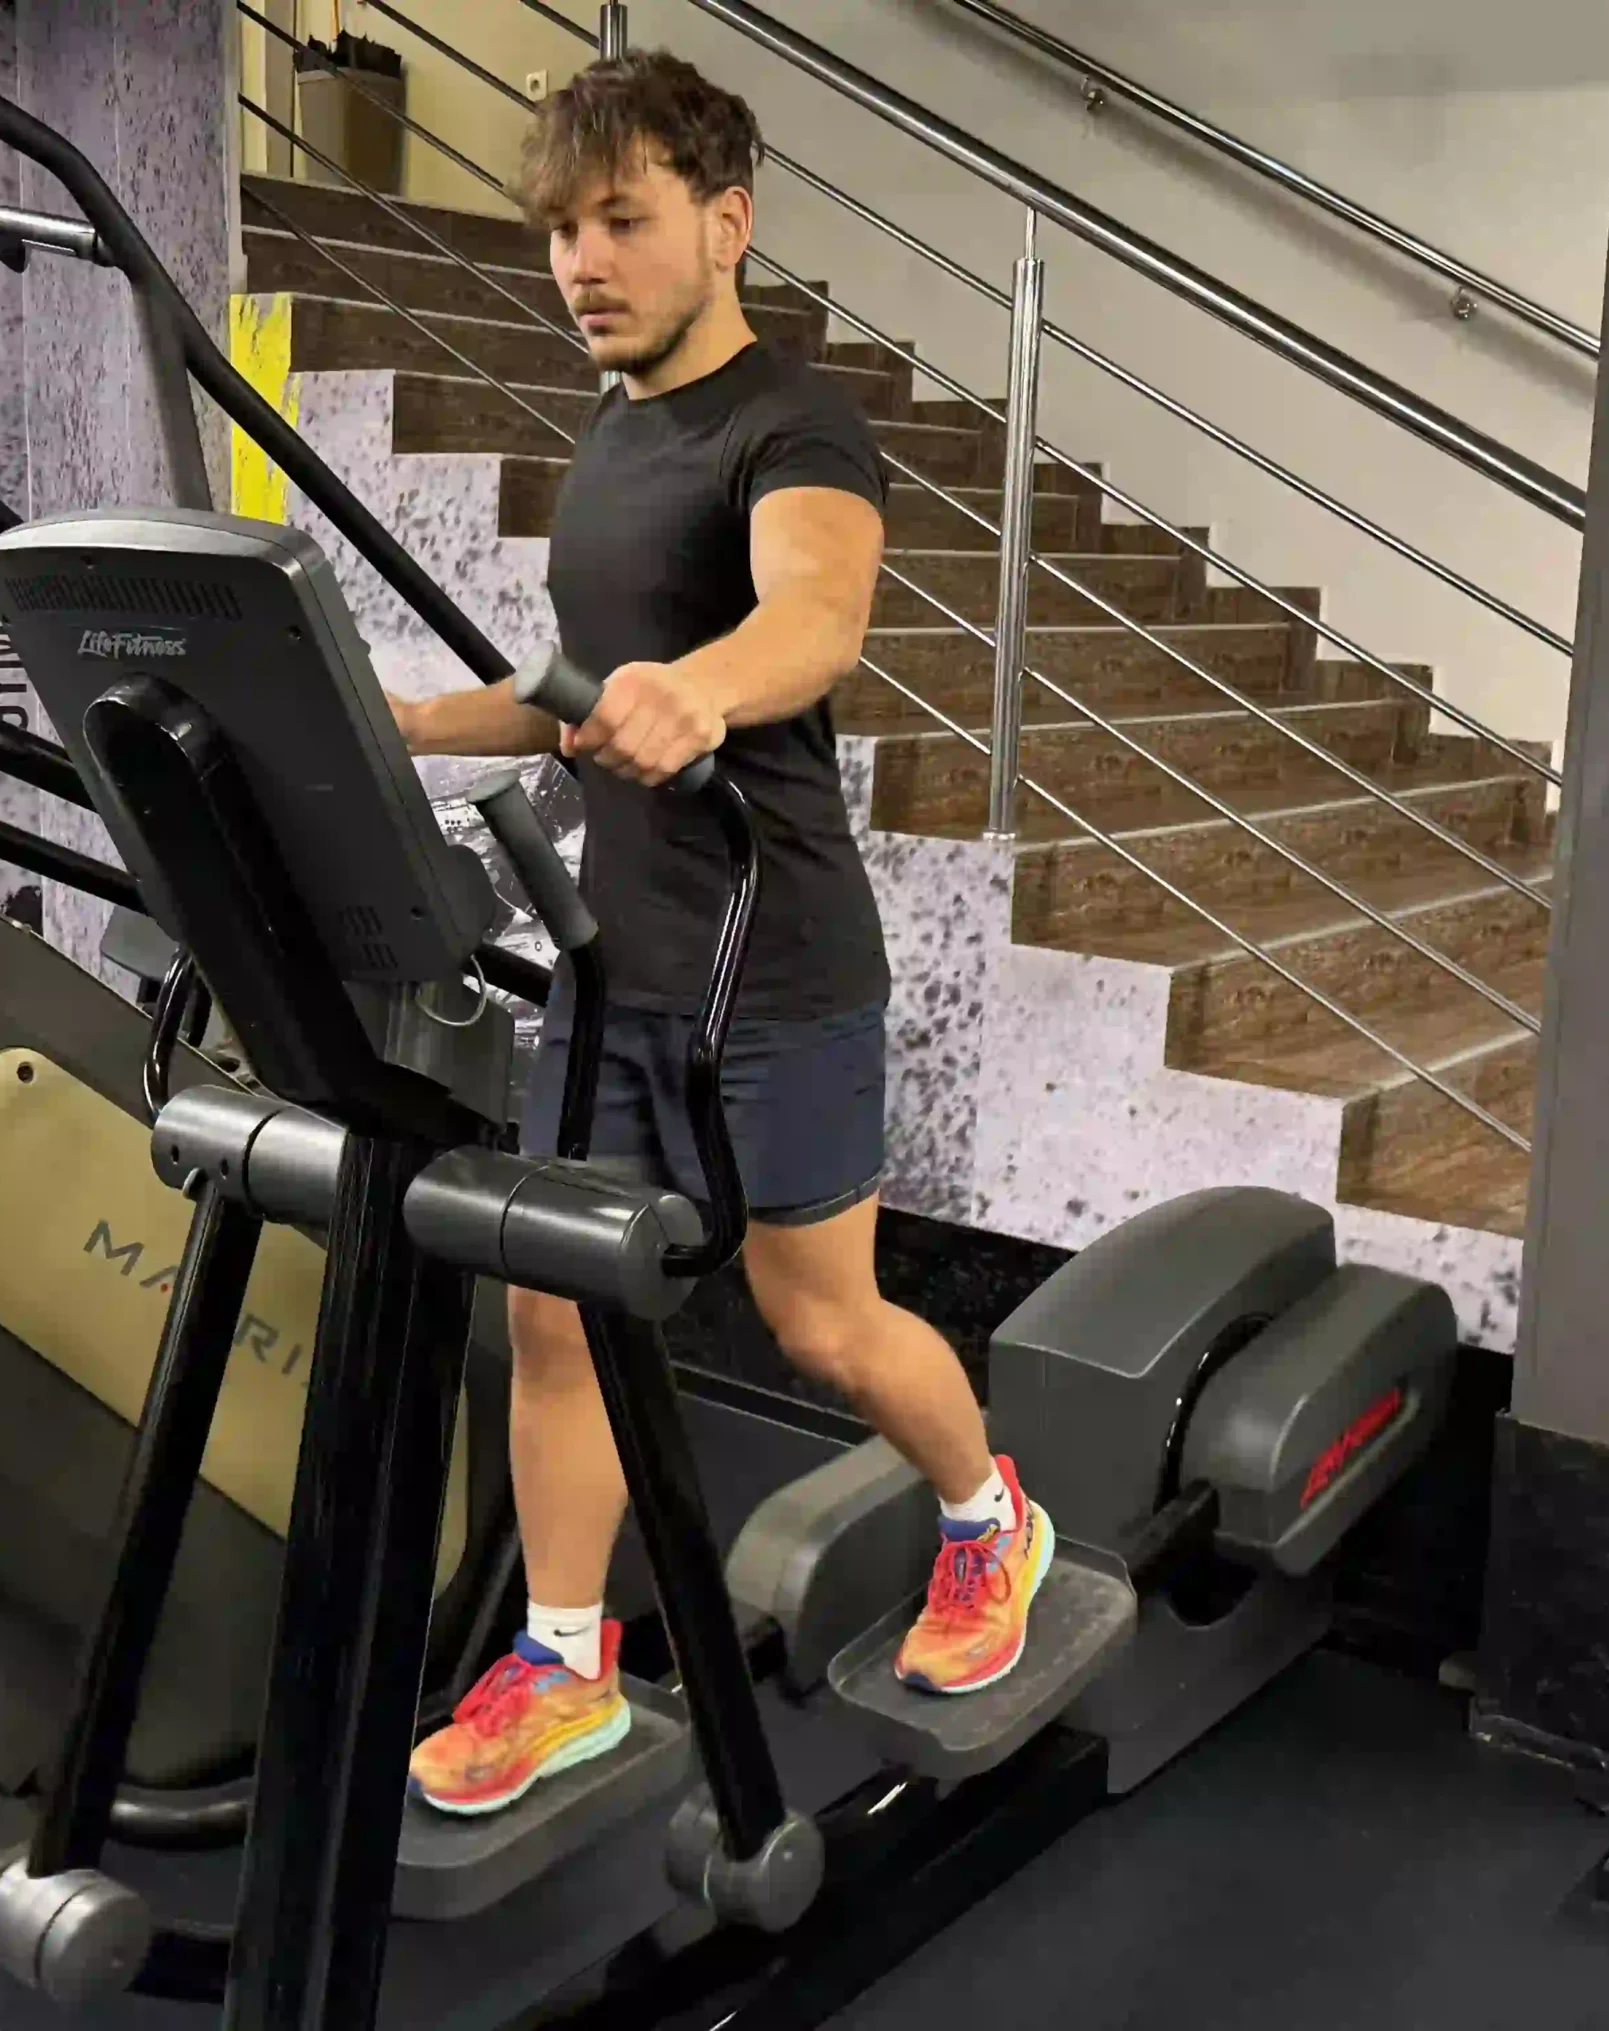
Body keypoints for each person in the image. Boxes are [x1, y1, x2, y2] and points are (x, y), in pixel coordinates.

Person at [396, 51, 1050, 1817]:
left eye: (622, 220)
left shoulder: (799, 425)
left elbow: (816, 616)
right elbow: (566, 708)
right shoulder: (612, 437)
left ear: (724, 221)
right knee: (555, 1316)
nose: (581, 261)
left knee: (819, 1323)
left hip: (779, 972)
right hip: (614, 966)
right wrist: (377, 718)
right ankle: (565, 1662)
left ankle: (994, 1521)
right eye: (560, 229)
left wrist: (705, 685)